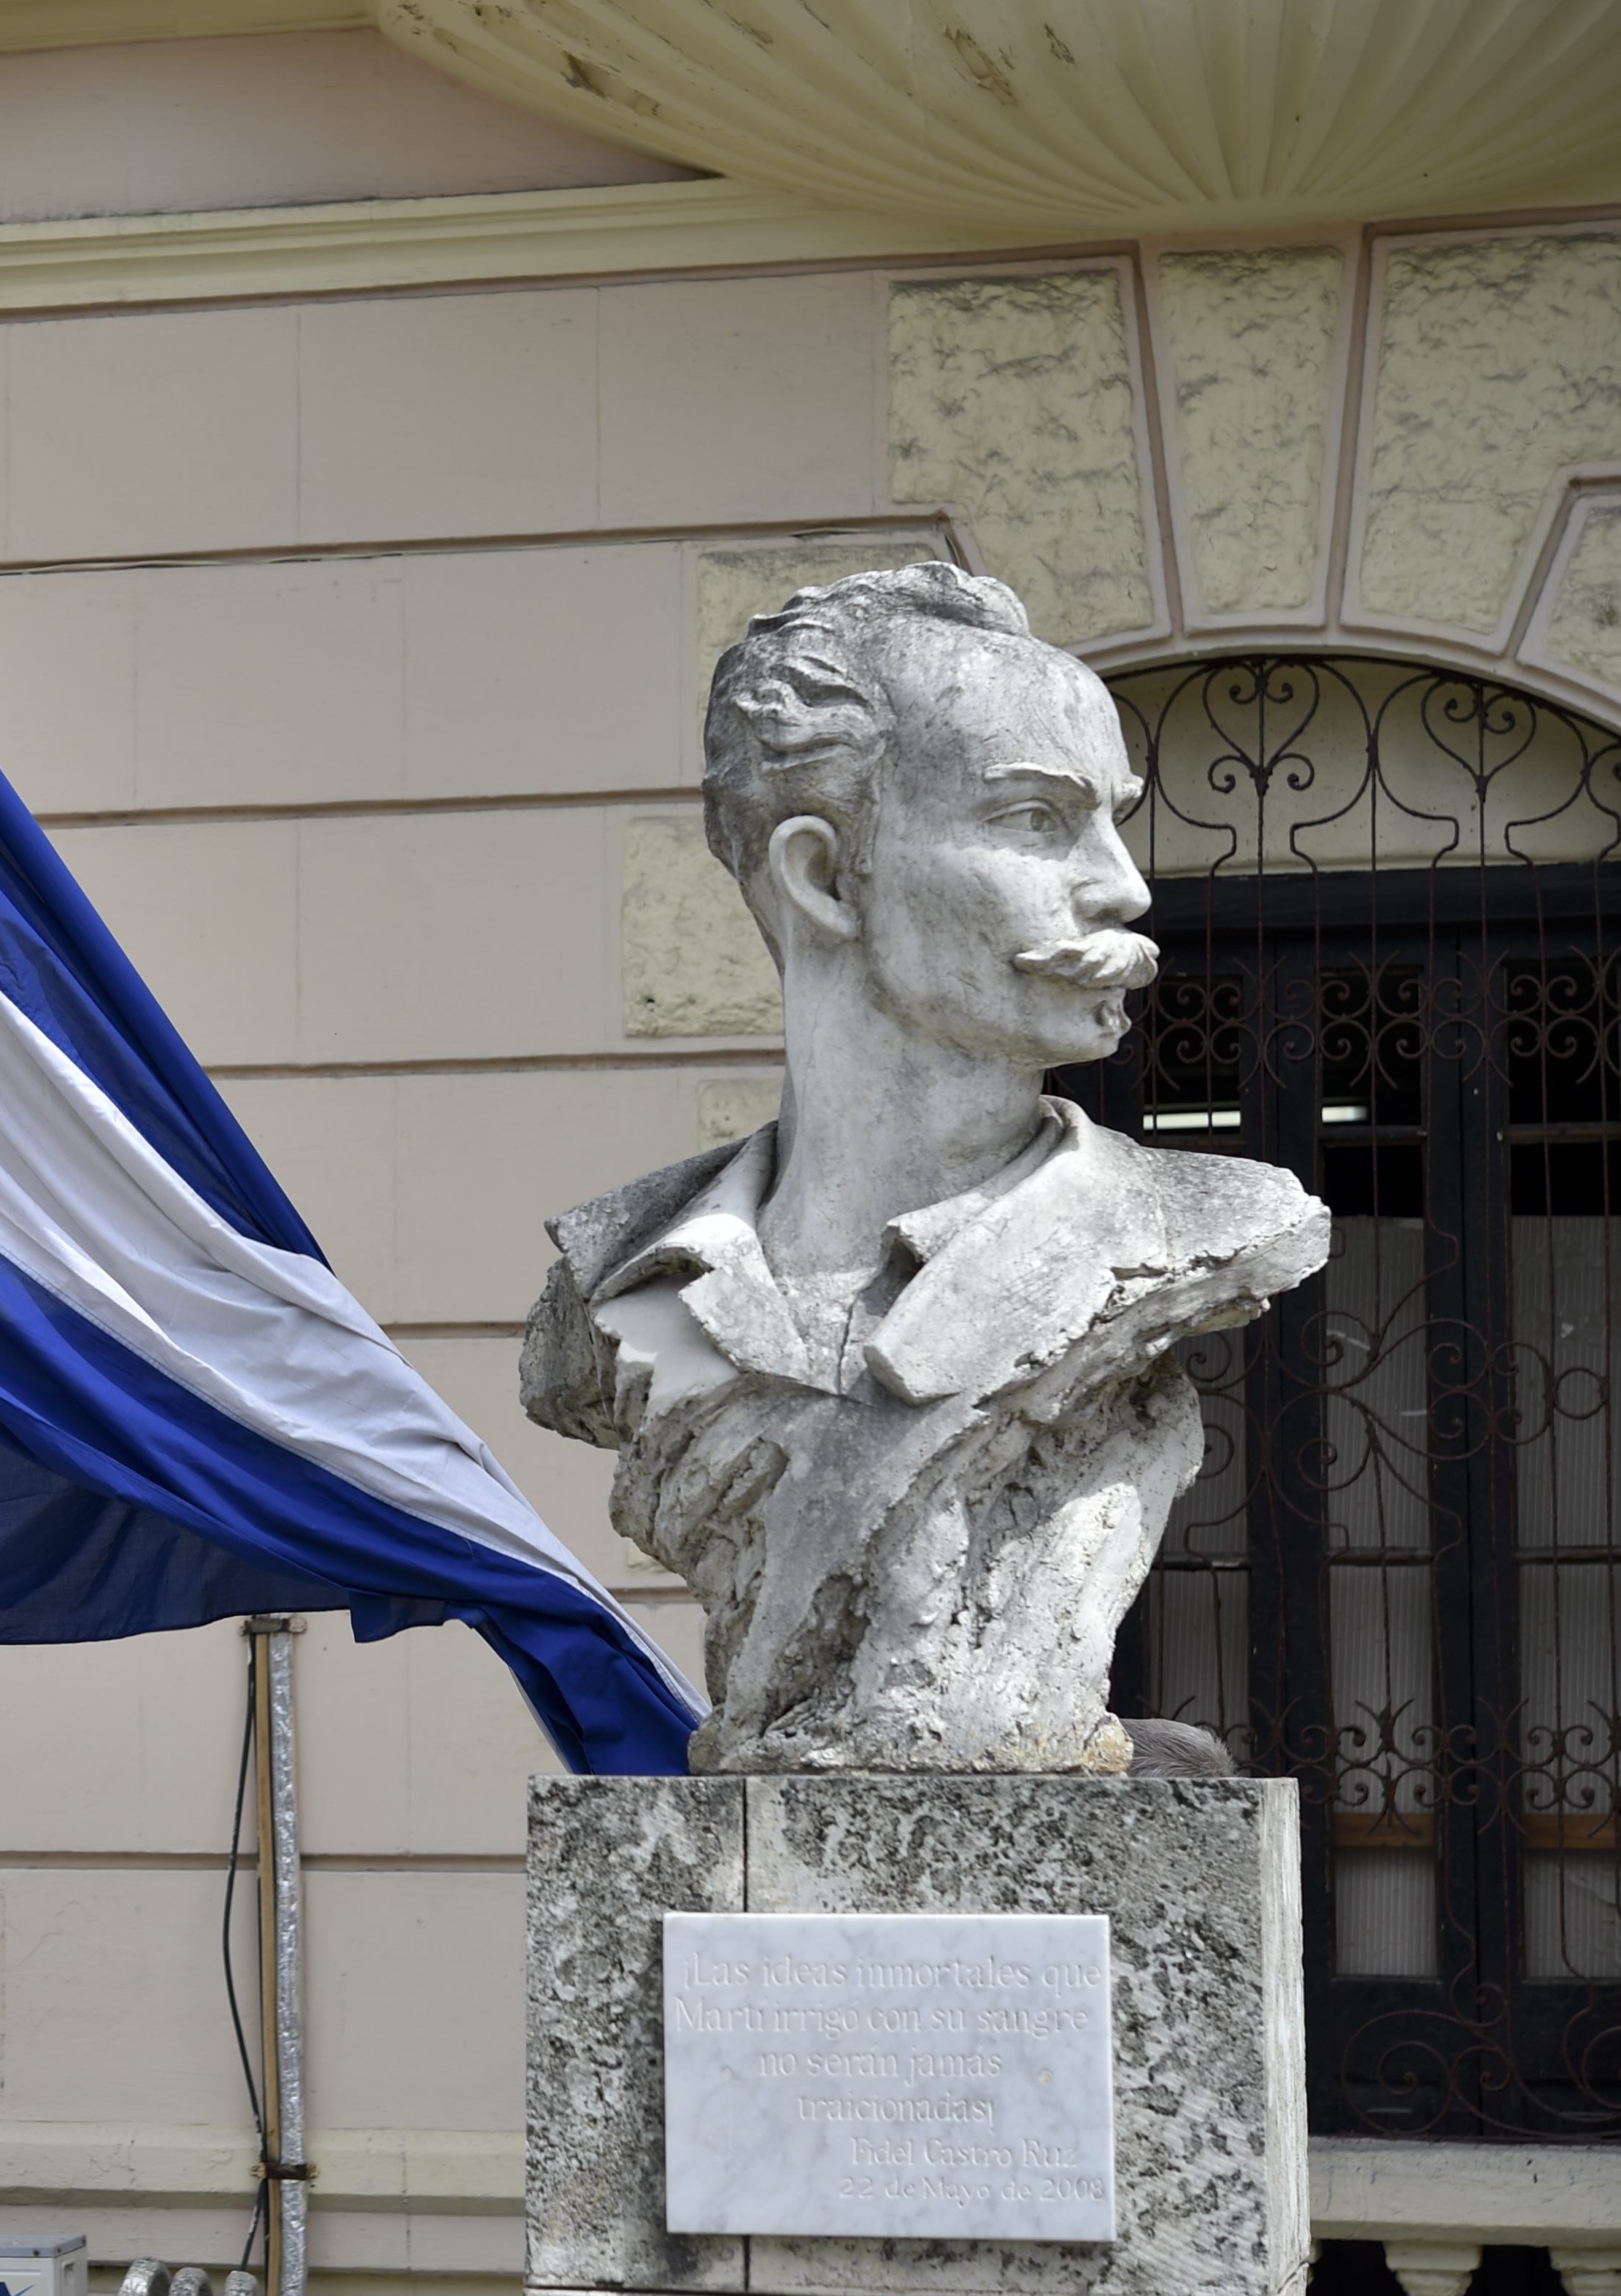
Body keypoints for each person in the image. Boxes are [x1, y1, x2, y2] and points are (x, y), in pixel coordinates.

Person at [521, 562, 1325, 1774]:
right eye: (1035, 821)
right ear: (821, 876)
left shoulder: (1186, 1233)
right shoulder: (622, 1293)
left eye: (1112, 818)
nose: (1122, 885)